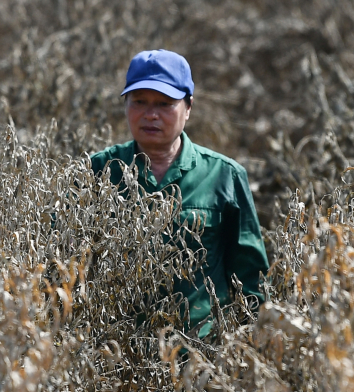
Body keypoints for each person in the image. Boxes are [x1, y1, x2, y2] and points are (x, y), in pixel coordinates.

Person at [91, 49, 269, 338]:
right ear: (125, 106)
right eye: (139, 102)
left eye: (164, 103)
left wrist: (249, 346)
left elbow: (250, 278)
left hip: (202, 357)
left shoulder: (224, 175)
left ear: (188, 107)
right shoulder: (98, 170)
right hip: (114, 358)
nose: (151, 114)